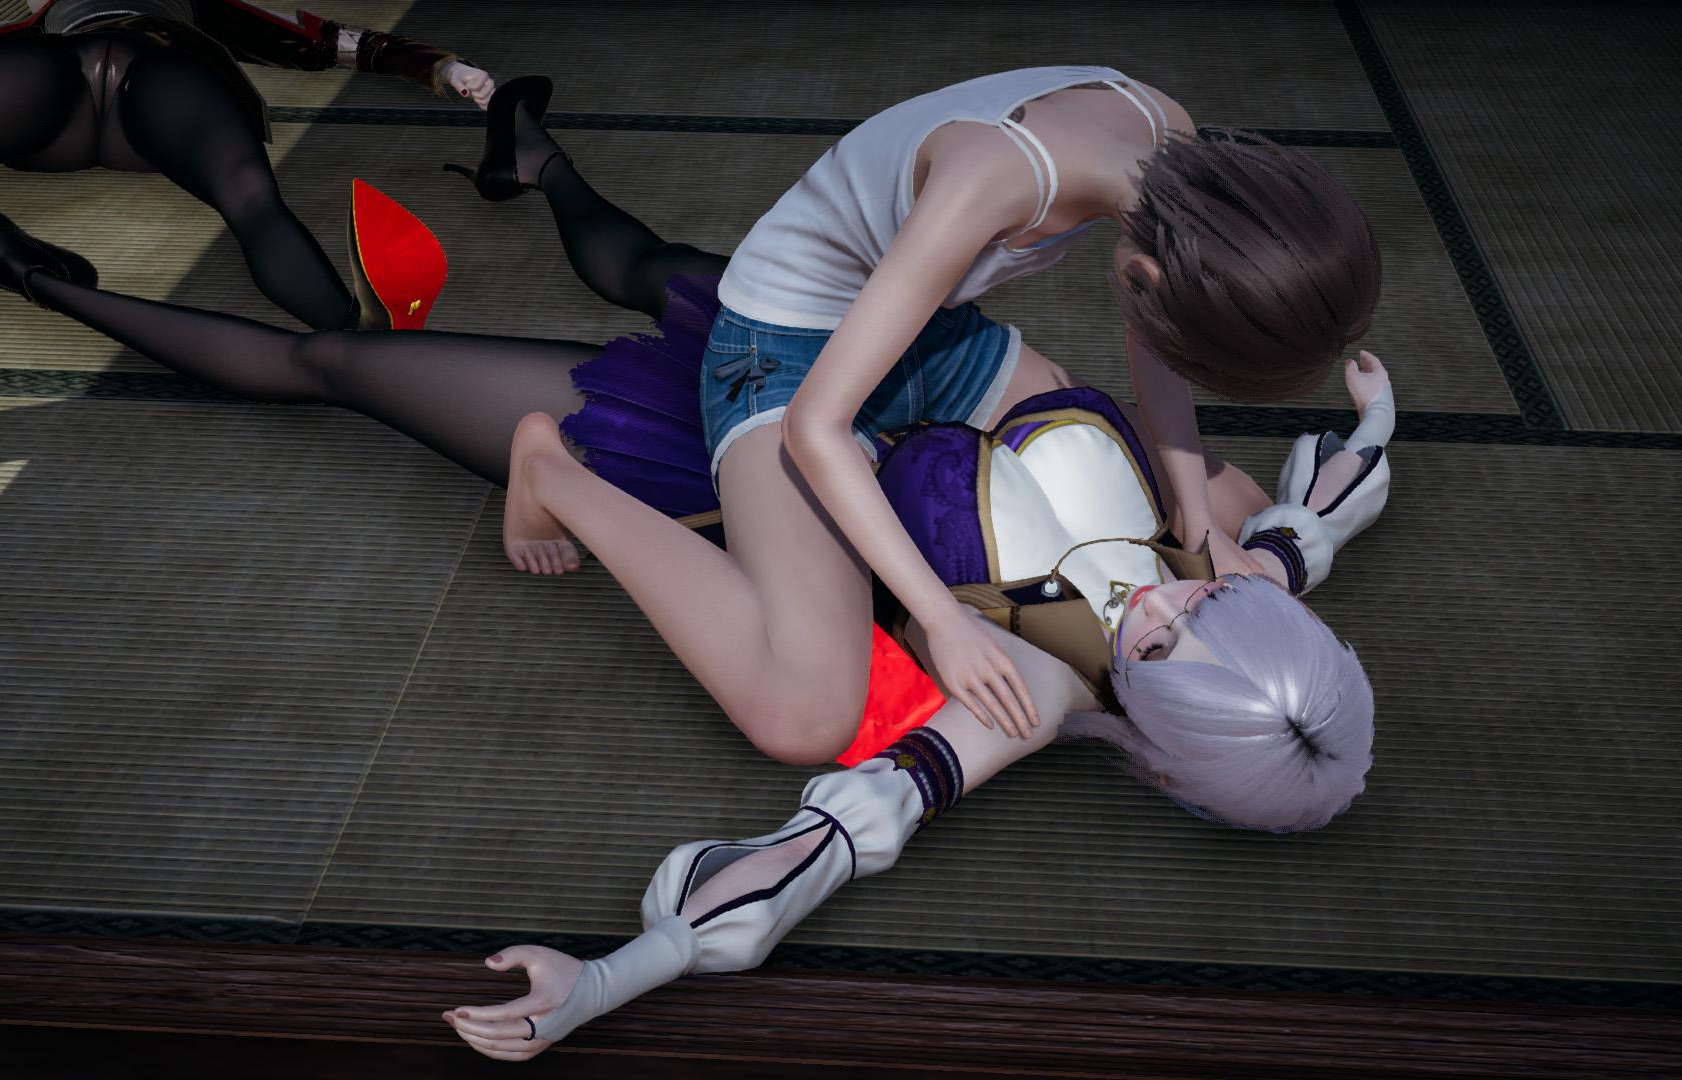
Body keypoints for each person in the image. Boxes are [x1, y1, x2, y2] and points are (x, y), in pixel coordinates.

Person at [442, 352, 1396, 1062]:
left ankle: (553, 472)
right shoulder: (1248, 581)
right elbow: (1314, 517)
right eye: (1206, 606)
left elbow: (838, 837)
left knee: (800, 717)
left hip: (817, 429)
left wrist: (609, 978)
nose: (1157, 604)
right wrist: (1376, 422)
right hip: (944, 353)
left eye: (1154, 649)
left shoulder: (1035, 692)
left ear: (1164, 747)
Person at [479, 68, 1381, 763]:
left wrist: (1196, 521)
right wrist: (940, 621)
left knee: (1233, 509)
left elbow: (1158, 346)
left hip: (931, 334)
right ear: (1150, 277)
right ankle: (549, 473)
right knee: (805, 716)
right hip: (785, 353)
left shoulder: (1169, 141)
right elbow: (815, 428)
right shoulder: (998, 178)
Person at [0, 0, 495, 330]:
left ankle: (356, 339)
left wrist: (444, 70)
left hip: (157, 85)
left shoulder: (214, 6)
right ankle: (358, 343)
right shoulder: (22, 26)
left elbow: (333, 41)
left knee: (251, 198)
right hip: (58, 85)